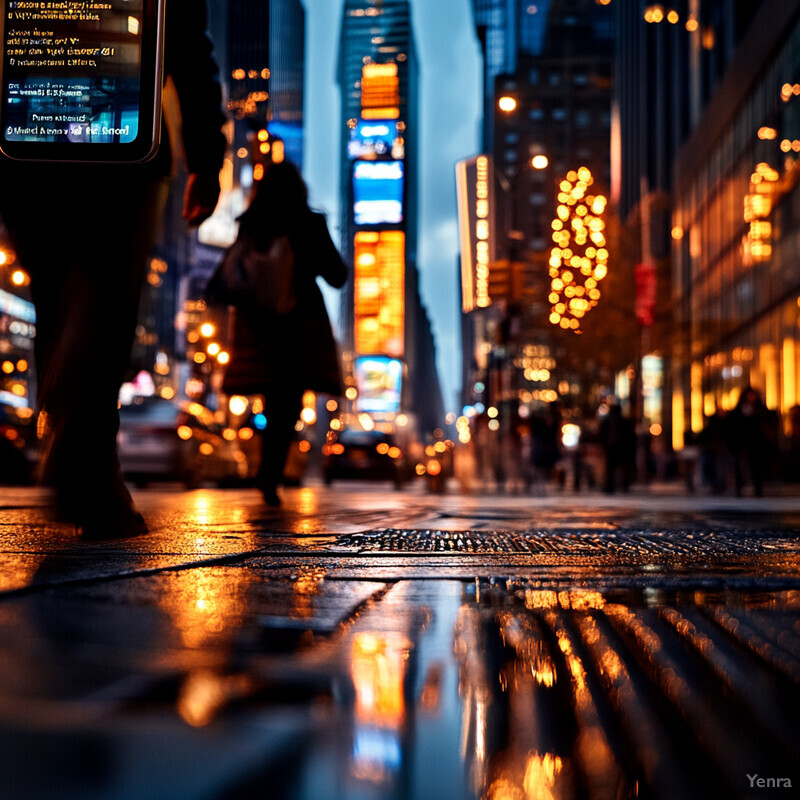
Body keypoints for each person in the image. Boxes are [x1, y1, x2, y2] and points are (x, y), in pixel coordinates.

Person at [0, 0, 227, 538]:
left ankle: (71, 431)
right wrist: (206, 155)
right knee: (105, 289)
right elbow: (189, 47)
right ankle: (86, 458)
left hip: (27, 127)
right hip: (123, 141)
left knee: (56, 292)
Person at [210, 161, 347, 506]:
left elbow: (226, 278)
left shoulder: (250, 224)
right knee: (287, 404)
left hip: (257, 325)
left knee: (269, 399)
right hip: (297, 325)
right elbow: (337, 275)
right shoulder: (309, 224)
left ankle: (266, 470)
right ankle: (269, 475)